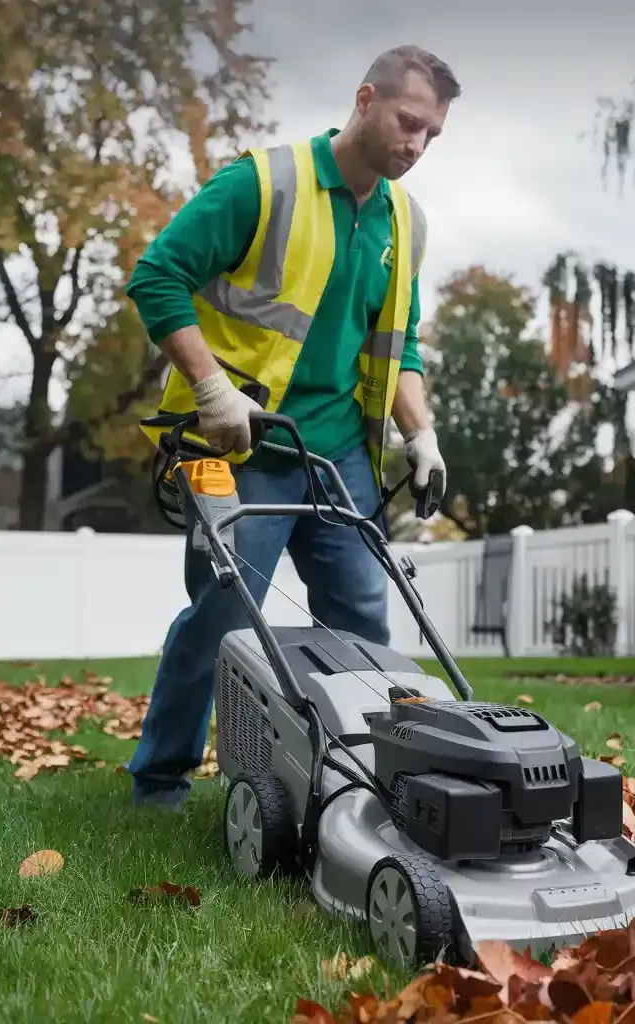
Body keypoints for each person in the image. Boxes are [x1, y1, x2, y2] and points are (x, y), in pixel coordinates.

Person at [124, 45, 461, 811]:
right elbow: (157, 276)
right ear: (366, 99)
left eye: (432, 136)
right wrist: (212, 388)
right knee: (221, 611)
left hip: (337, 451)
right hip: (240, 442)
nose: (416, 145)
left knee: (363, 621)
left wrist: (422, 435)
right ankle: (160, 778)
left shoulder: (405, 222)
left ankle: (368, 782)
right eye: (409, 123)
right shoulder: (263, 183)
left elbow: (398, 342)